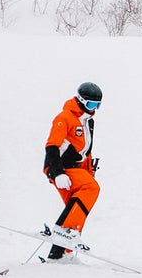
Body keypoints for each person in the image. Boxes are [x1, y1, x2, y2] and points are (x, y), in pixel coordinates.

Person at [43, 80, 102, 259]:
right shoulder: (65, 118)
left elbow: (85, 151)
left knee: (76, 210)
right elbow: (52, 146)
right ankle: (65, 232)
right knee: (92, 188)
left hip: (76, 169)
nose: (95, 109)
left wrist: (89, 172)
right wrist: (58, 172)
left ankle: (60, 254)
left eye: (98, 105)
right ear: (81, 100)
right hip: (60, 167)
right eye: (92, 104)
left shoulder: (88, 121)